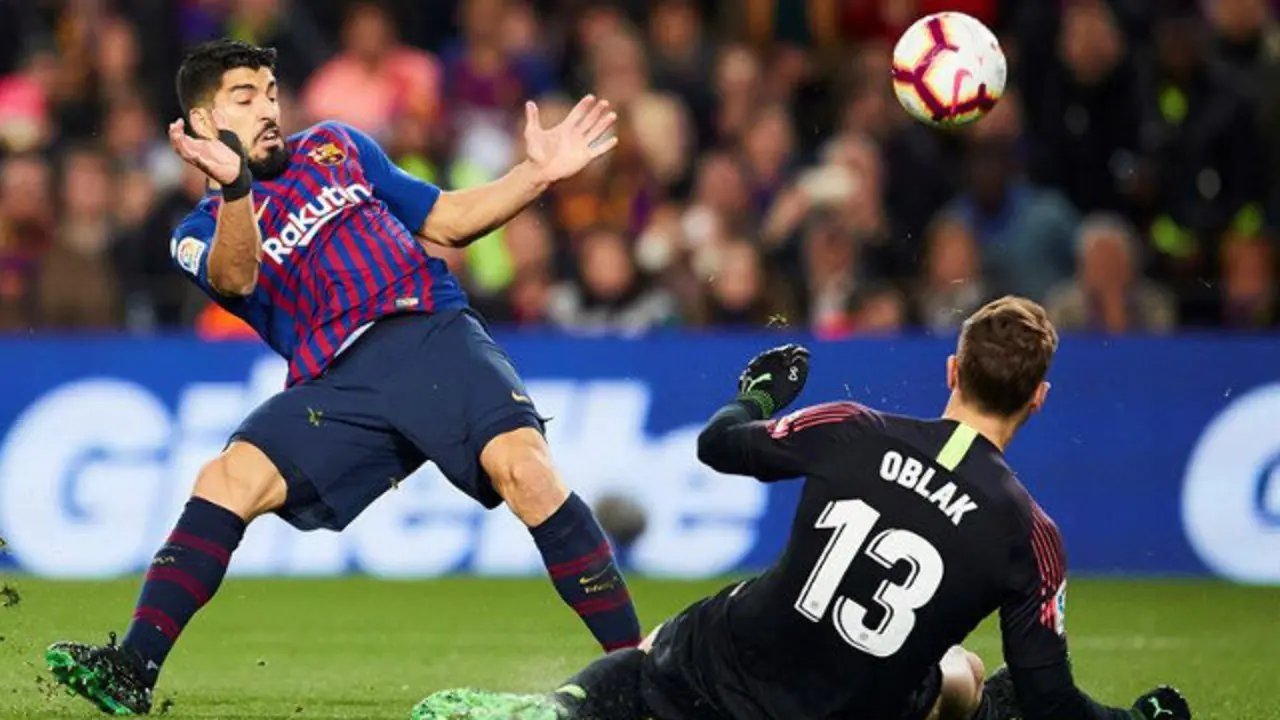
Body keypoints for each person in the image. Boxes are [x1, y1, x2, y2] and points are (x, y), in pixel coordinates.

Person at [45, 39, 642, 715]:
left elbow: (444, 218)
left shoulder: (336, 145)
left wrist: (535, 175)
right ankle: (134, 667)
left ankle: (644, 679)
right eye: (245, 98)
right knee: (226, 479)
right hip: (334, 384)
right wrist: (238, 188)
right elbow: (237, 276)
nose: (269, 108)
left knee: (525, 470)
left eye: (271, 92)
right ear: (204, 123)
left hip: (429, 333)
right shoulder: (197, 229)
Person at [410, 297, 1192, 720]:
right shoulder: (1031, 535)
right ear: (1039, 399)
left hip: (724, 665)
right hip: (852, 707)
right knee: (964, 674)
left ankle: (565, 708)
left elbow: (720, 446)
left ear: (953, 369)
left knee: (658, 652)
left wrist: (757, 393)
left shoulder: (853, 428)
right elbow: (1054, 701)